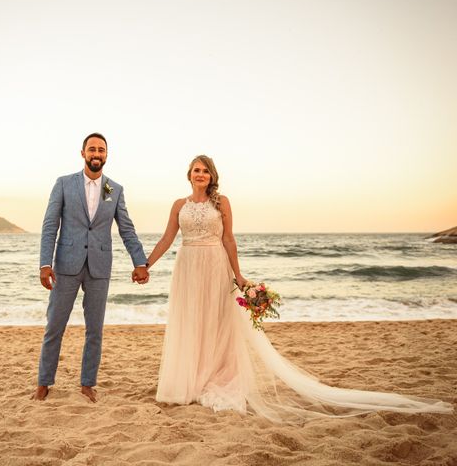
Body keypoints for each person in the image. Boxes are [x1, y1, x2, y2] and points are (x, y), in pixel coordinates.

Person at [145, 154, 453, 422]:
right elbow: (167, 239)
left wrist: (239, 276)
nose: (200, 175)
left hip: (215, 263)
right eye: (196, 170)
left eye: (205, 170)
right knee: (191, 322)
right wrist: (145, 265)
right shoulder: (178, 205)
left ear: (212, 176)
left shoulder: (221, 202)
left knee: (217, 323)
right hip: (187, 267)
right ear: (189, 175)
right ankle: (189, 380)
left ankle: (212, 378)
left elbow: (229, 240)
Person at [33, 133, 149, 402]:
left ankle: (88, 383)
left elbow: (126, 229)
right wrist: (44, 264)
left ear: (107, 155)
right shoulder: (64, 184)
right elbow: (50, 225)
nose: (97, 153)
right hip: (66, 265)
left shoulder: (114, 189)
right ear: (83, 153)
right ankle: (44, 382)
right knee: (55, 326)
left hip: (99, 267)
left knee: (94, 329)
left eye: (102, 150)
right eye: (92, 149)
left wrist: (140, 262)